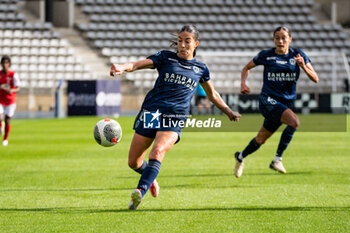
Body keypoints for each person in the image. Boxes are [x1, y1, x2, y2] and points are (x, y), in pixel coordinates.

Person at [110, 25, 241, 210]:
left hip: (175, 116)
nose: (182, 44)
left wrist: (228, 111)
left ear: (195, 44)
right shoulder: (165, 57)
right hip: (151, 112)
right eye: (180, 40)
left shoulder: (200, 68)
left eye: (187, 41)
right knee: (134, 162)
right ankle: (151, 178)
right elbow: (138, 65)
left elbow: (213, 95)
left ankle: (139, 191)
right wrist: (122, 67)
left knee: (157, 152)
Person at [234, 26, 319, 178]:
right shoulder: (266, 55)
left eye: (283, 37)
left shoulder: (298, 55)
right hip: (267, 100)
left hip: (285, 104)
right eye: (277, 38)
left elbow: (315, 78)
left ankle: (240, 156)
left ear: (290, 39)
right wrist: (243, 83)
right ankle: (277, 159)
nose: (280, 41)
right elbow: (246, 67)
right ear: (273, 40)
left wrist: (303, 66)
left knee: (260, 140)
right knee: (294, 122)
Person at [0, 55, 21, 146]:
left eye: (7, 63)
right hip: (0, 100)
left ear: (9, 64)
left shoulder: (13, 75)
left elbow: (18, 88)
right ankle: (1, 125)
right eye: (3, 63)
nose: (5, 64)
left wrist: (11, 90)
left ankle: (5, 139)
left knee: (8, 119)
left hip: (10, 101)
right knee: (0, 118)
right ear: (1, 64)